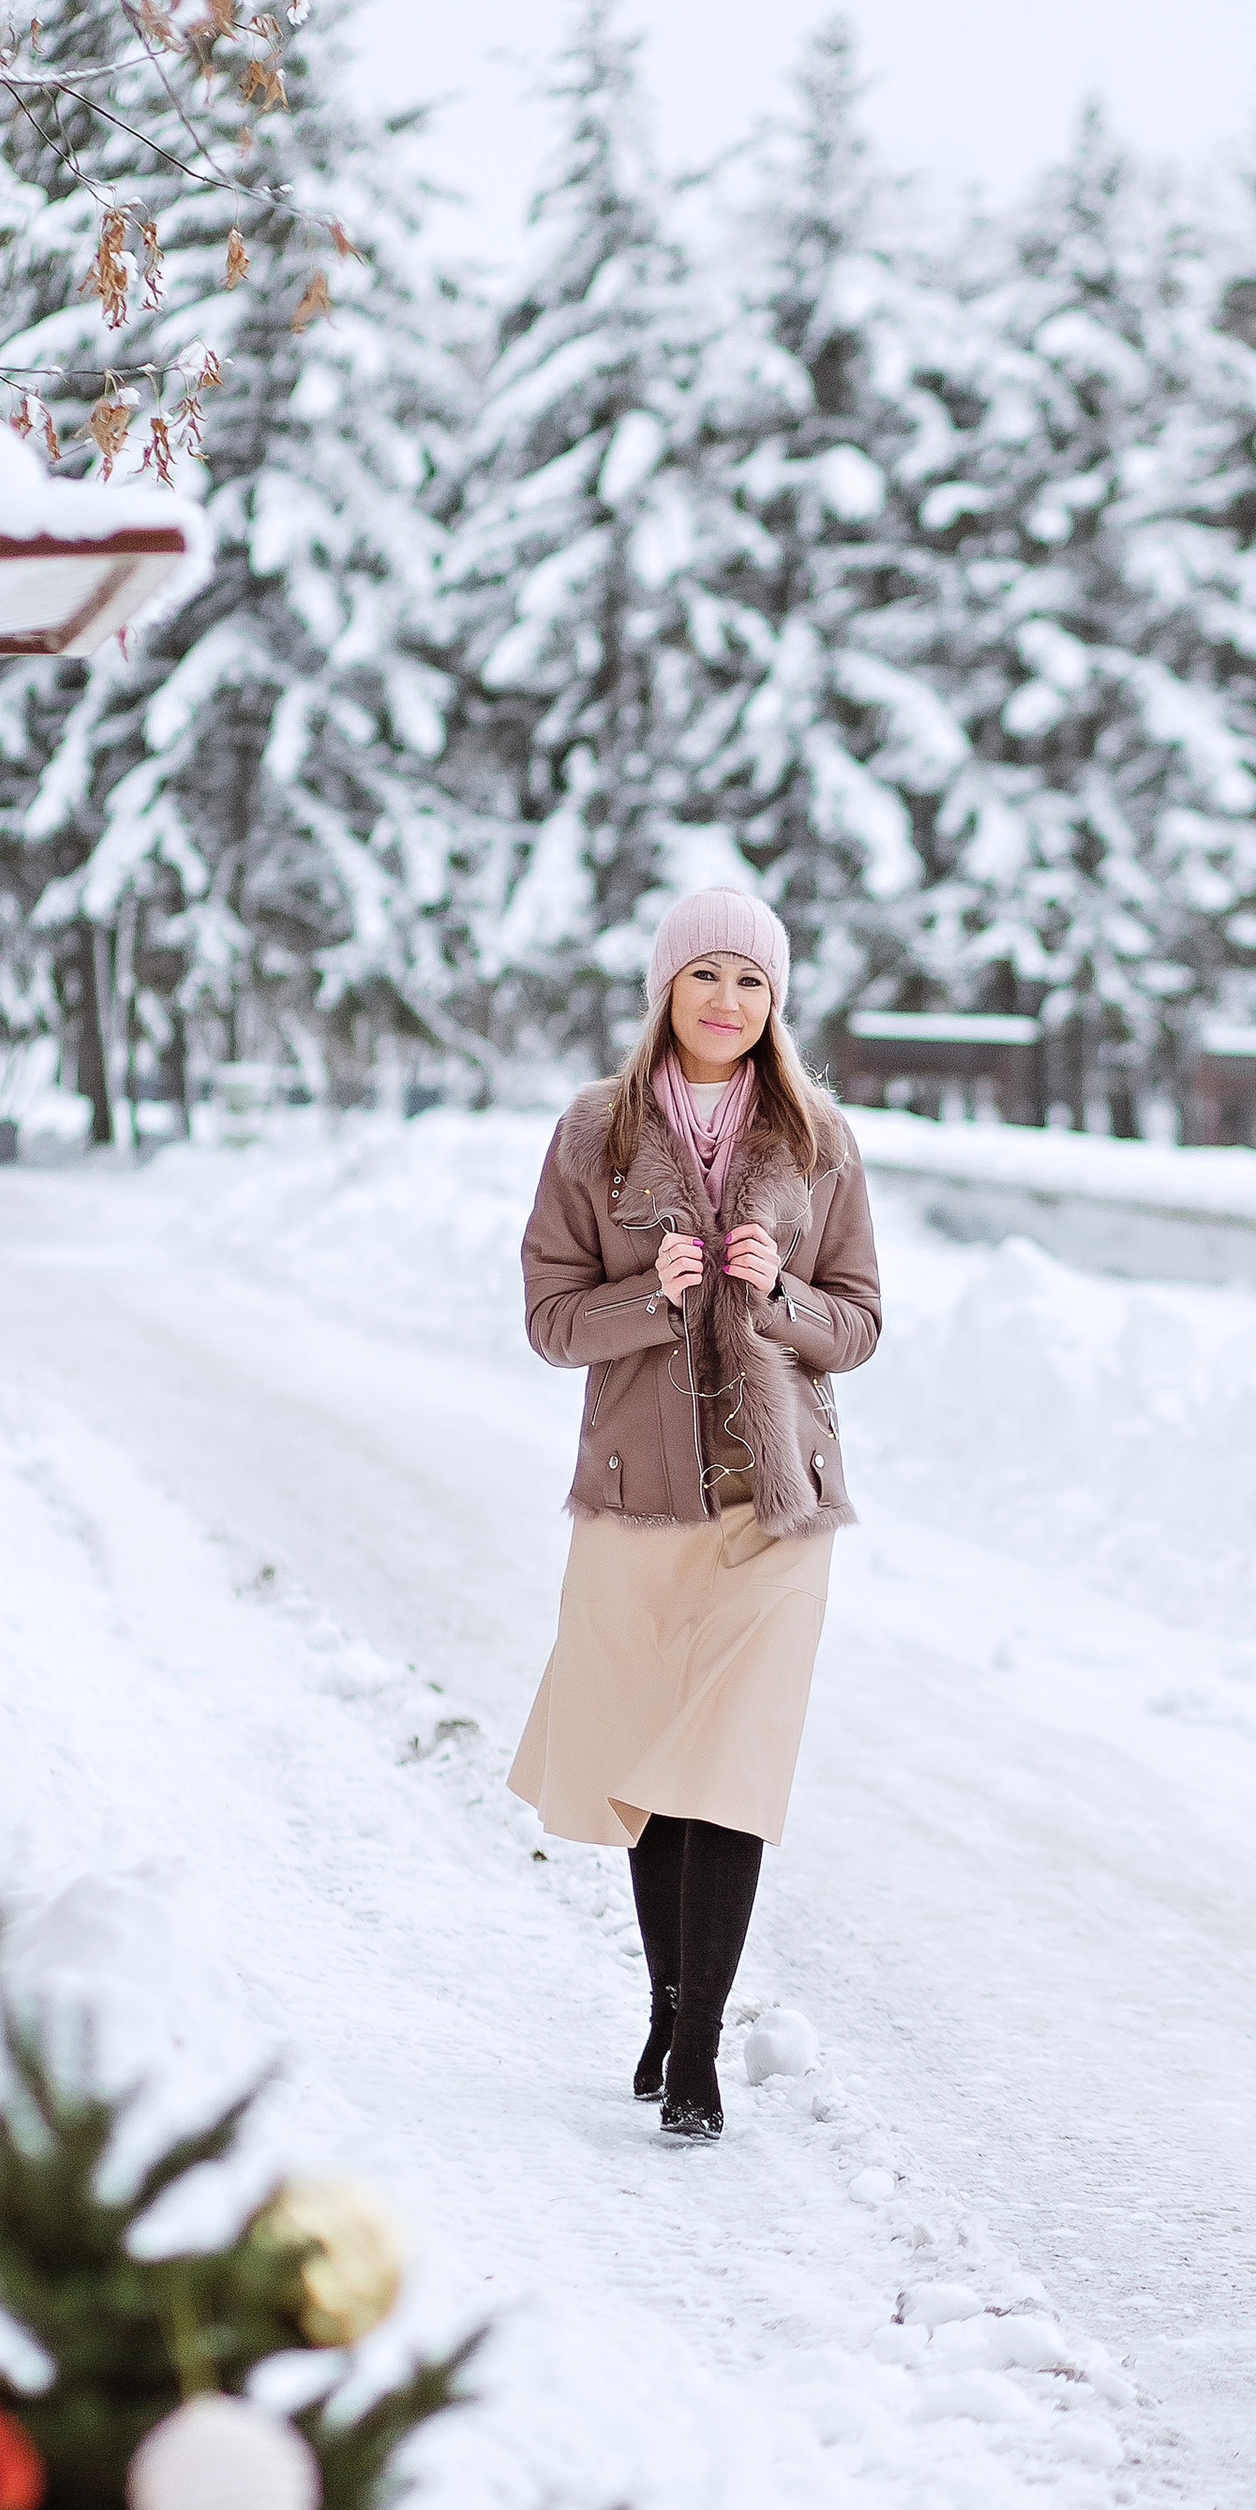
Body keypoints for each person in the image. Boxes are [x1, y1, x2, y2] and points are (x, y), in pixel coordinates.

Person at [509, 888, 882, 2140]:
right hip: (636, 1504)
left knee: (728, 1769)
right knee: (649, 1764)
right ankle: (667, 2004)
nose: (729, 1002)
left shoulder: (819, 1139)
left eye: (754, 983)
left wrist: (778, 1295)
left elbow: (861, 1326)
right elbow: (552, 1320)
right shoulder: (595, 1135)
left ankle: (701, 2044)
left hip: (774, 1513)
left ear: (777, 1004)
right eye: (707, 975)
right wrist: (645, 1300)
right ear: (666, 988)